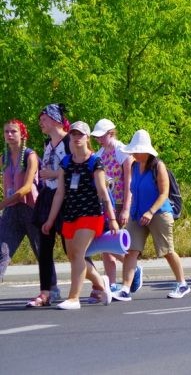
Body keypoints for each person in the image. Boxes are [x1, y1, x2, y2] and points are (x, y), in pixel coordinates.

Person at [42, 121, 115, 309]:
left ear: (87, 137)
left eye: (80, 134)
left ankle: (74, 298)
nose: (76, 138)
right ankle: (101, 282)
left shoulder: (95, 162)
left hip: (90, 214)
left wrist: (113, 219)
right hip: (70, 215)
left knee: (79, 254)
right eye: (73, 134)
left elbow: (103, 192)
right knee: (73, 256)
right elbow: (60, 193)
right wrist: (50, 220)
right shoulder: (66, 162)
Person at [113, 129, 190, 300]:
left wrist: (150, 212)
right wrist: (132, 211)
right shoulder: (134, 166)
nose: (134, 153)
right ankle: (125, 289)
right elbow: (134, 190)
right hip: (137, 214)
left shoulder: (158, 166)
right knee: (131, 251)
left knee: (167, 250)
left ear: (146, 151)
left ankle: (182, 284)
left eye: (137, 150)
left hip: (158, 213)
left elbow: (164, 193)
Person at [91, 118, 143, 294]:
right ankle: (112, 283)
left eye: (102, 136)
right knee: (106, 244)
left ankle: (133, 267)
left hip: (120, 203)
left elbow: (129, 181)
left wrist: (126, 208)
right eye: (97, 136)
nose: (99, 139)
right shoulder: (99, 155)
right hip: (107, 204)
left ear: (110, 133)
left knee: (113, 242)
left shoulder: (122, 151)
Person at [25, 104, 71, 307]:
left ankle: (98, 283)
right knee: (44, 246)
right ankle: (46, 292)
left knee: (71, 248)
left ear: (55, 120)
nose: (41, 124)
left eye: (44, 120)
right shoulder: (47, 144)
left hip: (66, 199)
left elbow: (76, 168)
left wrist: (52, 174)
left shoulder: (69, 141)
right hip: (48, 197)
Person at [0, 120, 41, 286]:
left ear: (22, 134)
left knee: (40, 250)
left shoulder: (30, 156)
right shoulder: (4, 158)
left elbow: (26, 187)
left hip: (30, 208)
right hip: (11, 210)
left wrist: (3, 203)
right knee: (2, 250)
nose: (9, 135)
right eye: (6, 132)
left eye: (13, 131)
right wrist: (5, 205)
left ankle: (51, 288)